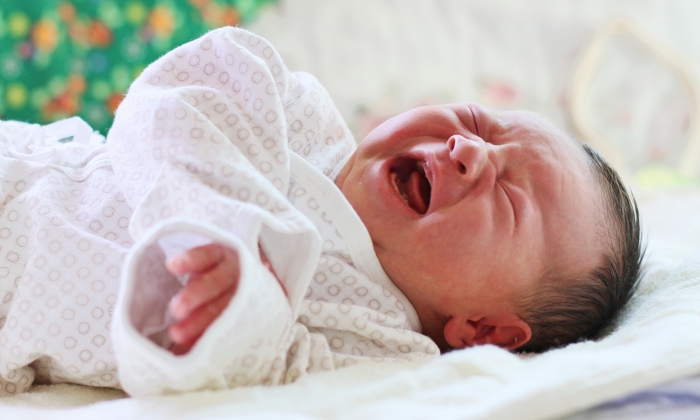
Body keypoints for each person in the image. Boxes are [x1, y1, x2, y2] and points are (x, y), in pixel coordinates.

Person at [0, 27, 643, 397]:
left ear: (487, 333)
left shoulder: (381, 354)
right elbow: (182, 93)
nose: (469, 148)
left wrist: (230, 314)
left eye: (509, 198)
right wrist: (222, 223)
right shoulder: (298, 120)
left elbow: (239, 381)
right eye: (479, 123)